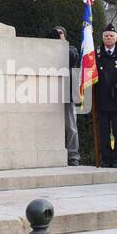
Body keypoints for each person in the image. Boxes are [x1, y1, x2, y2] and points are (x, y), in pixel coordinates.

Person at [94, 24, 117, 166]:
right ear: (103, 38)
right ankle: (106, 159)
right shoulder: (96, 54)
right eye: (106, 36)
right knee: (103, 133)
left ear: (116, 38)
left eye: (111, 36)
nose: (108, 38)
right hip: (102, 98)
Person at [50, 26, 81, 165]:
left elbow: (73, 58)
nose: (58, 35)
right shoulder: (47, 49)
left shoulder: (71, 49)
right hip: (50, 93)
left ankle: (73, 155)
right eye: (55, 33)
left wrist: (62, 43)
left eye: (60, 33)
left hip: (67, 93)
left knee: (71, 126)